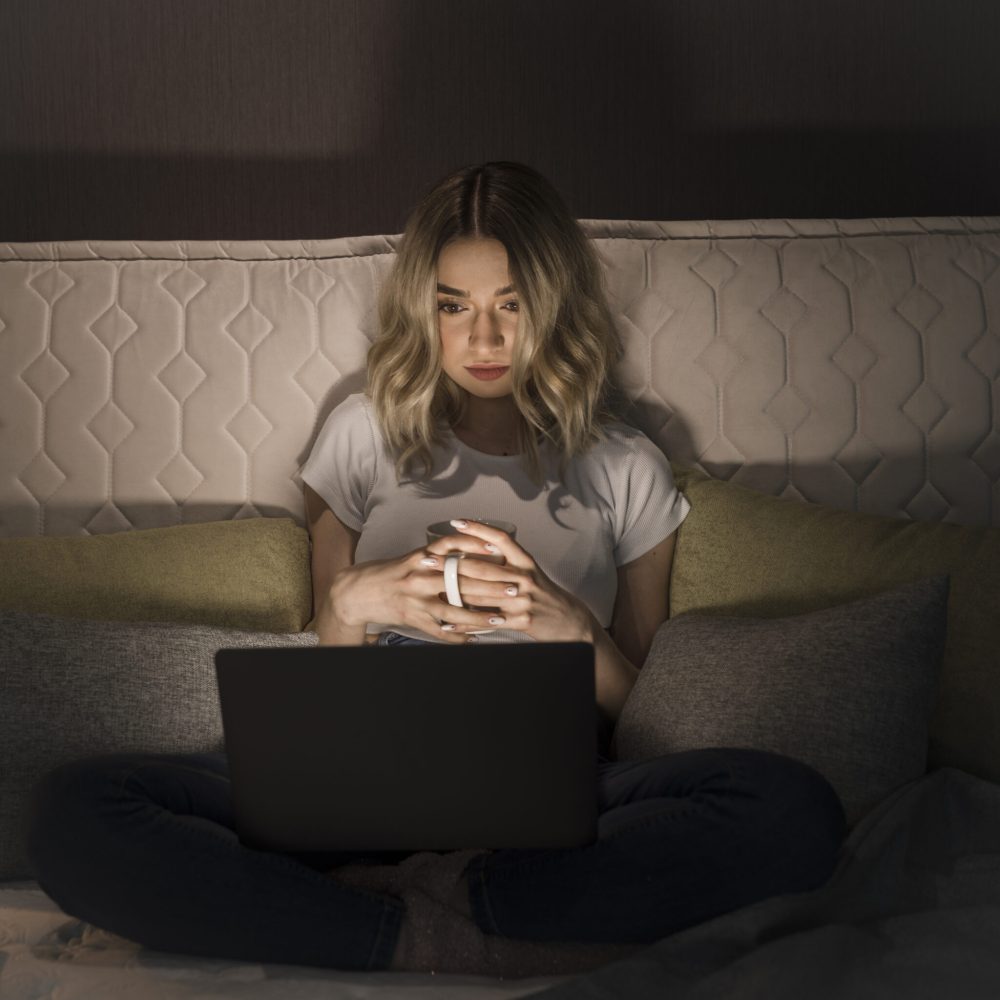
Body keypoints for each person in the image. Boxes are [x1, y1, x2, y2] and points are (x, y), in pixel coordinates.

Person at [23, 161, 847, 980]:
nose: (482, 341)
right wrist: (350, 606)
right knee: (73, 813)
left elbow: (646, 720)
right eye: (454, 307)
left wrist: (573, 631)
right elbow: (317, 691)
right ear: (425, 311)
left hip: (554, 776)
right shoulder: (362, 435)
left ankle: (438, 908)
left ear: (554, 306)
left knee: (790, 811)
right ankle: (418, 934)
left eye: (511, 306)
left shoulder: (624, 465)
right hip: (358, 768)